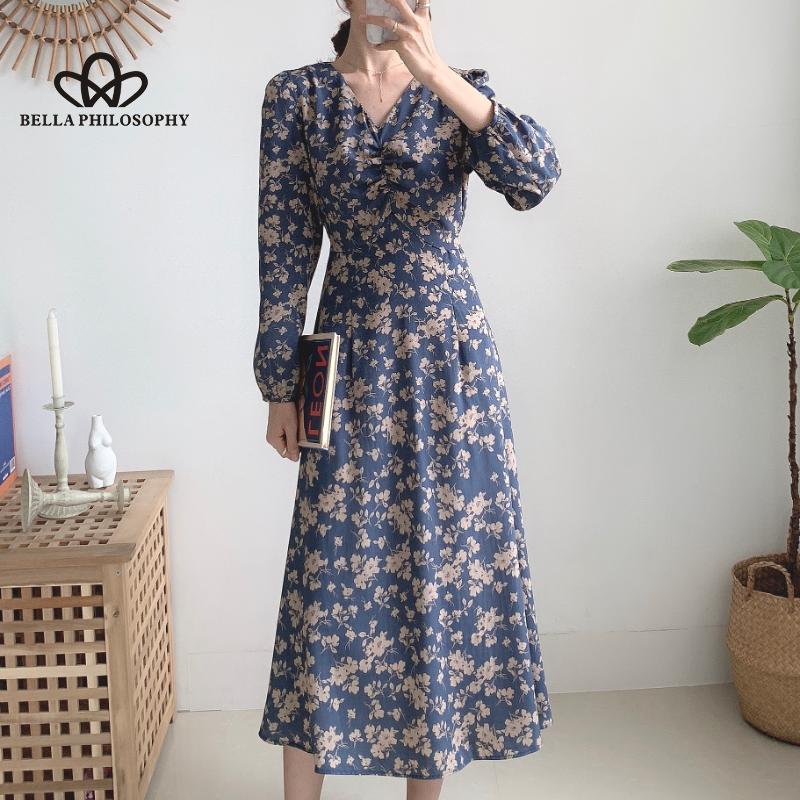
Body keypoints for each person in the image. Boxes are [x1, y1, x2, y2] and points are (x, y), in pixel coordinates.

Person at [253, 1, 562, 798]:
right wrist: (279, 383)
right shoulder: (297, 96)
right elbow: (284, 248)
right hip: (344, 356)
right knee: (324, 580)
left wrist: (439, 75)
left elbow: (535, 177)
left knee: (442, 567)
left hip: (451, 363)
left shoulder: (458, 92)